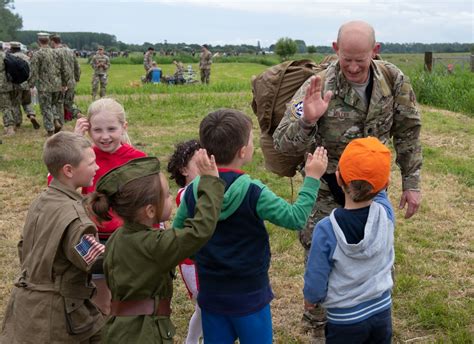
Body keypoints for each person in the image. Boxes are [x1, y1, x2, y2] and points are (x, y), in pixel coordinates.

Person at [272, 20, 422, 338]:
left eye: (361, 59)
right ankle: (319, 329)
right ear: (335, 49)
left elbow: (408, 132)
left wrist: (411, 182)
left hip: (373, 193)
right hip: (328, 191)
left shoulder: (393, 80)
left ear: (376, 52)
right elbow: (282, 142)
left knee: (376, 256)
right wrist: (307, 120)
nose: (353, 68)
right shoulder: (316, 85)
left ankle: (371, 320)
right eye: (346, 59)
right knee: (322, 258)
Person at [173, 108, 328, 344]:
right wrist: (312, 178)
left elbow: (177, 237)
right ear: (243, 151)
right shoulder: (254, 192)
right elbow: (295, 217)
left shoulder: (194, 191)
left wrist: (201, 255)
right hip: (250, 296)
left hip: (212, 293)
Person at [88, 154, 225, 343]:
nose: (171, 198)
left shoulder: (117, 238)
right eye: (167, 195)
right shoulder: (153, 244)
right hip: (144, 333)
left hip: (119, 330)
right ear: (150, 211)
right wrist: (210, 183)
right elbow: (198, 231)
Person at [1, 131, 104, 343]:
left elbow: (23, 245)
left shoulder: (41, 200)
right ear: (69, 170)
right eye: (91, 162)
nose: (97, 167)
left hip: (26, 307)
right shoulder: (75, 219)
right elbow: (95, 260)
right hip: (57, 317)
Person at [303, 137, 395, 343]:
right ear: (385, 185)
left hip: (344, 320)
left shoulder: (327, 229)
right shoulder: (387, 214)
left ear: (338, 178)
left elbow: (316, 276)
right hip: (381, 311)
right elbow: (380, 194)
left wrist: (311, 299)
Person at [74, 97, 146, 315]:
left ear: (124, 127)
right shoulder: (85, 158)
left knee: (126, 300)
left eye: (111, 129)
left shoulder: (138, 160)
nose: (104, 136)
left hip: (126, 239)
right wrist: (75, 143)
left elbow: (149, 203)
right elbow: (57, 186)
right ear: (88, 130)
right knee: (98, 301)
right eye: (97, 130)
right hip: (91, 237)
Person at [167, 139, 203, 344]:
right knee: (205, 304)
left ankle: (192, 340)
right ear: (183, 170)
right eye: (199, 164)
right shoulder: (187, 193)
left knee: (203, 307)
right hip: (193, 263)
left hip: (198, 259)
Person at [29, 32, 67, 136]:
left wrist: (31, 85)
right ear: (49, 41)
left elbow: (33, 71)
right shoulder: (57, 53)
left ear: (38, 41)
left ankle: (50, 130)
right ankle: (56, 121)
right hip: (57, 85)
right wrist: (64, 83)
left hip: (44, 86)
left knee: (46, 108)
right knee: (54, 105)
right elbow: (64, 69)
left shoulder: (37, 54)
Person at [9, 41, 40, 130]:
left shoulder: (10, 58)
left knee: (15, 104)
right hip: (26, 84)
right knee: (27, 102)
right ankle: (31, 115)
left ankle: (17, 123)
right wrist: (31, 84)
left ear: (12, 48)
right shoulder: (27, 58)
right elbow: (32, 71)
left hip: (15, 85)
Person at [50, 34, 82, 121]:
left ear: (53, 41)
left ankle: (60, 120)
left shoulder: (54, 52)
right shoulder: (70, 51)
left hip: (60, 82)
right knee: (68, 103)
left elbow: (56, 69)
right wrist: (77, 78)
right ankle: (78, 115)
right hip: (71, 81)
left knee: (58, 102)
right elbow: (77, 67)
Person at [0, 40, 16, 136]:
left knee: (5, 107)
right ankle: (9, 126)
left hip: (1, 85)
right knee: (7, 106)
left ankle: (10, 128)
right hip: (7, 84)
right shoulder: (6, 55)